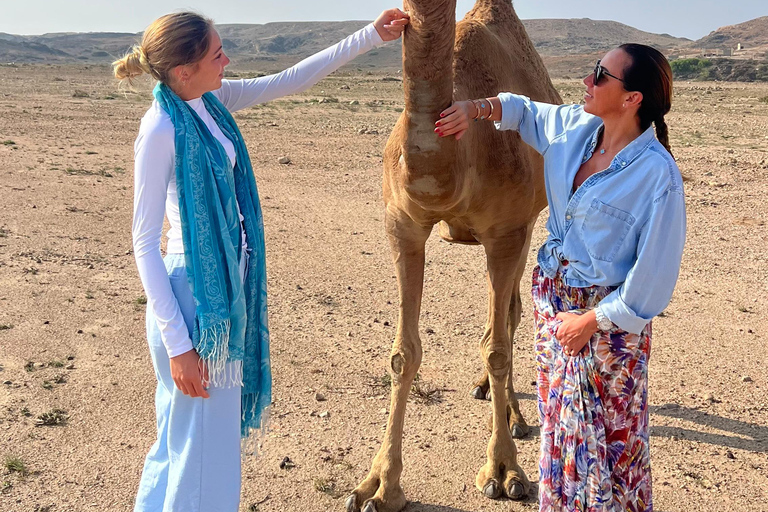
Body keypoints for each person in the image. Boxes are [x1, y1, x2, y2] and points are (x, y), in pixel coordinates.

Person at [112, 8, 409, 512]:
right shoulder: (160, 127)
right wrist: (180, 345)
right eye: (216, 53)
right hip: (196, 304)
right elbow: (143, 242)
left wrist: (369, 36)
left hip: (223, 291)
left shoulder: (210, 100)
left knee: (183, 441)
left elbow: (289, 79)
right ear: (183, 70)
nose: (227, 59)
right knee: (203, 454)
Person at [435, 44, 686, 512]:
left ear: (632, 99)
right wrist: (475, 108)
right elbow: (522, 110)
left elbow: (653, 282)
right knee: (560, 438)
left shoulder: (658, 178)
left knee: (610, 448)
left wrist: (590, 321)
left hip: (607, 332)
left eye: (600, 75)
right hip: (553, 309)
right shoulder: (577, 127)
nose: (587, 82)